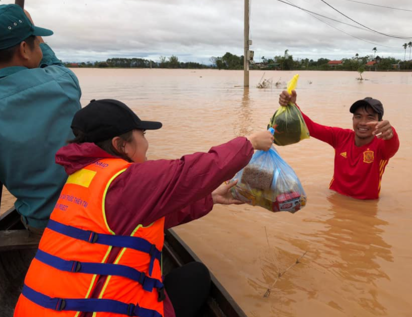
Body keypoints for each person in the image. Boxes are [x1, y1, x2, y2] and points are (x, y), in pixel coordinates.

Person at [14, 99, 274, 317]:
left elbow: (141, 219)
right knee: (196, 277)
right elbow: (192, 171)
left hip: (36, 308)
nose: (147, 144)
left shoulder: (82, 178)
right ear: (121, 145)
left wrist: (211, 198)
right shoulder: (126, 180)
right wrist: (248, 143)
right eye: (142, 135)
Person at [0, 5, 82, 234]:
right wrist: (28, 23)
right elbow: (52, 61)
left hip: (39, 224)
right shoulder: (64, 83)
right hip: (86, 214)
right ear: (25, 48)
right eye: (35, 39)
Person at [279, 91, 399, 199]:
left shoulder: (381, 146)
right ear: (352, 119)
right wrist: (293, 106)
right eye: (358, 116)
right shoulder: (341, 136)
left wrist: (391, 132)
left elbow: (392, 145)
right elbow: (311, 127)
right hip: (335, 198)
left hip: (366, 205)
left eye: (370, 118)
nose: (363, 123)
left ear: (380, 122)